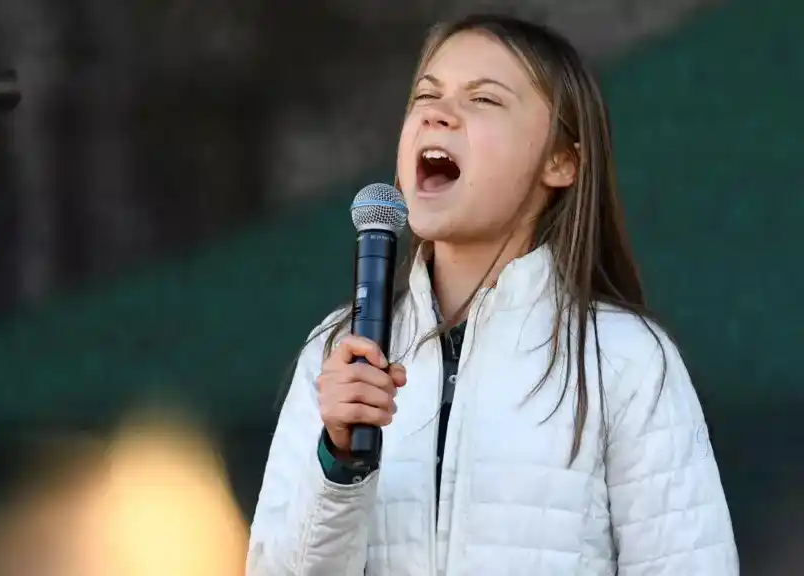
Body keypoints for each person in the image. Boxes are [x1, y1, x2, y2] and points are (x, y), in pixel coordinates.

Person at [246, 13, 739, 576]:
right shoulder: (338, 354)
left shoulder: (624, 360)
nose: (437, 113)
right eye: (425, 96)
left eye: (483, 100)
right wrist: (337, 461)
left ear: (561, 160)